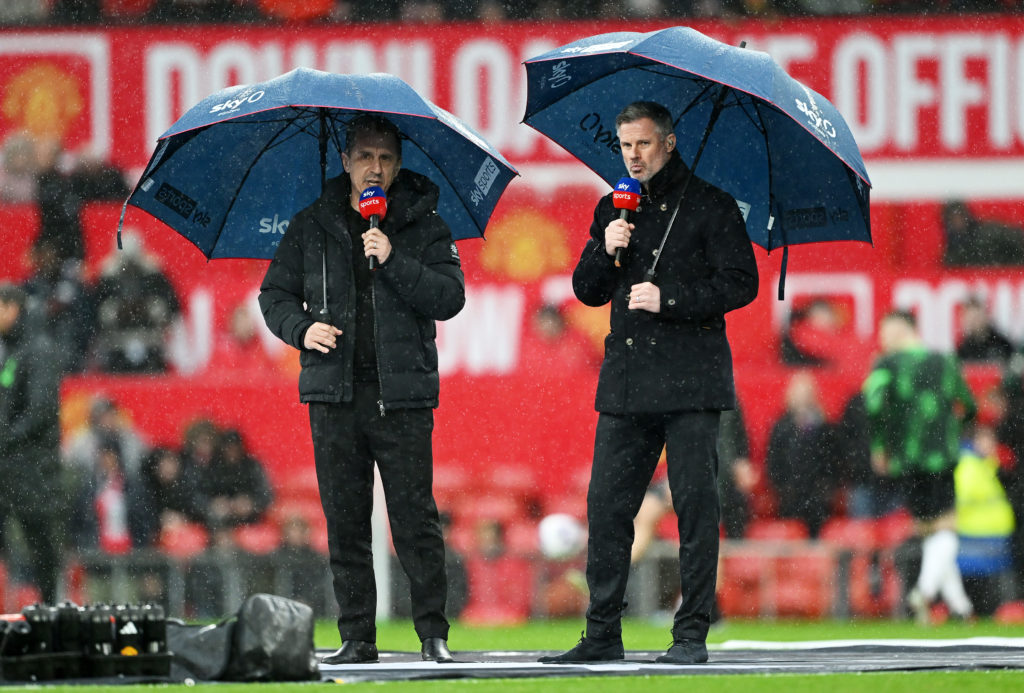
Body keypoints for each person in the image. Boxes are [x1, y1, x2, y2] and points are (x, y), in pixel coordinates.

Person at [541, 101, 758, 666]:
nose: (633, 156)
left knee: (694, 508)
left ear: (668, 143)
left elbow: (742, 284)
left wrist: (672, 300)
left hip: (691, 382)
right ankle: (602, 634)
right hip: (628, 383)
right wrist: (604, 246)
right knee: (607, 507)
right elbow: (588, 290)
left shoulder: (712, 206)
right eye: (625, 146)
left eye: (643, 144)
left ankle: (690, 636)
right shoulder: (612, 207)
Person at [259, 114, 464, 665]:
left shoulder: (425, 225)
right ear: (346, 161)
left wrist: (393, 258)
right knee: (345, 522)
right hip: (334, 395)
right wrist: (302, 330)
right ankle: (358, 637)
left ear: (398, 166)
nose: (376, 168)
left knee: (415, 520)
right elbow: (273, 296)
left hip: (403, 396)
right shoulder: (310, 225)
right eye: (366, 157)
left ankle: (432, 636)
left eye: (386, 158)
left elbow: (449, 298)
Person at [863, 310, 976, 623]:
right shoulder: (944, 360)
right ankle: (926, 593)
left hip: (908, 459)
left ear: (901, 331)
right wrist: (951, 429)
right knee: (944, 528)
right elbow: (969, 405)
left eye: (885, 333)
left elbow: (872, 402)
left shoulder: (887, 364)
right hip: (941, 455)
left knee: (931, 530)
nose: (883, 341)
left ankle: (958, 606)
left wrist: (881, 445)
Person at [0, 283, 64, 604]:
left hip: (32, 468)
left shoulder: (37, 348)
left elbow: (41, 409)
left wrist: (6, 439)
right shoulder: (11, 348)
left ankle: (51, 611)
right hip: (10, 466)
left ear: (12, 307)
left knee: (39, 541)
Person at [765, 371, 838, 538]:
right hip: (790, 497)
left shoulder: (824, 425)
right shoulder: (781, 426)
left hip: (817, 499)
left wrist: (826, 487)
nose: (802, 398)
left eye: (806, 393)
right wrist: (783, 488)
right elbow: (773, 460)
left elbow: (833, 459)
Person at [956, 296, 1014, 364]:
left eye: (976, 318)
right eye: (971, 319)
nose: (974, 323)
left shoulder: (1001, 343)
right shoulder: (963, 349)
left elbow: (1013, 367)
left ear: (985, 316)